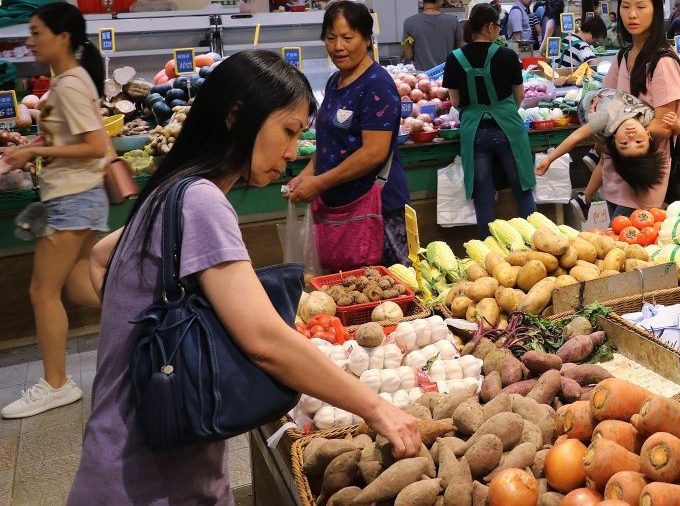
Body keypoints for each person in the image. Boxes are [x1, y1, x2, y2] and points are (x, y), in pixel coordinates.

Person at [69, 51, 421, 504]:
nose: (294, 152)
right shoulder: (201, 201)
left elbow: (99, 258)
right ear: (237, 115)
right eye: (289, 132)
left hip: (120, 459)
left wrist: (150, 341)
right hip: (150, 482)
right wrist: (376, 408)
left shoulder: (169, 192)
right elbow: (263, 341)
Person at [0, 2, 107, 419]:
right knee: (82, 289)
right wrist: (31, 151)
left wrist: (35, 149)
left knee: (41, 291)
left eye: (37, 32)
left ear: (62, 37)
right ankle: (153, 324)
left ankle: (56, 383)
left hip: (72, 198)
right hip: (78, 194)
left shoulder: (69, 85)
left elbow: (96, 145)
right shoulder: (70, 79)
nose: (30, 40)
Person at [287, 1, 411, 268]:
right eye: (331, 38)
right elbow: (329, 142)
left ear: (366, 39)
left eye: (347, 37)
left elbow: (373, 153)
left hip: (378, 208)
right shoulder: (336, 81)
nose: (338, 46)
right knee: (346, 291)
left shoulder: (376, 84)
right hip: (340, 208)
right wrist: (307, 175)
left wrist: (320, 183)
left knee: (388, 292)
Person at [442, 4, 537, 236]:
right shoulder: (507, 55)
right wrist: (503, 110)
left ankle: (488, 246)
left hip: (474, 131)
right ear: (488, 27)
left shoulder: (454, 58)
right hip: (508, 129)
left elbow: (454, 101)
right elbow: (520, 95)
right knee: (522, 187)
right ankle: (537, 240)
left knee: (483, 192)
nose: (499, 30)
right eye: (497, 25)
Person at [595, 0, 680, 218]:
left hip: (644, 177)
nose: (632, 14)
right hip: (615, 174)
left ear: (655, 11)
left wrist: (624, 135)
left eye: (641, 7)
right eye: (625, 7)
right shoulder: (623, 57)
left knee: (632, 247)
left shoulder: (662, 62)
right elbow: (605, 102)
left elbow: (664, 125)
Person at [535, 89, 678, 193]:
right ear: (648, 134)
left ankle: (596, 152)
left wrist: (549, 159)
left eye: (624, 144)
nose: (631, 137)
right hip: (608, 96)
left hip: (587, 106)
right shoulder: (647, 118)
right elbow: (672, 132)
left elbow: (577, 136)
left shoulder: (605, 118)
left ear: (614, 140)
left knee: (599, 134)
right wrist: (678, 126)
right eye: (639, 142)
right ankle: (594, 154)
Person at [402, 0, 461, 71]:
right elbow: (458, 51)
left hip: (422, 77)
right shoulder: (452, 21)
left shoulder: (409, 22)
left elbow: (408, 55)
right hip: (446, 75)